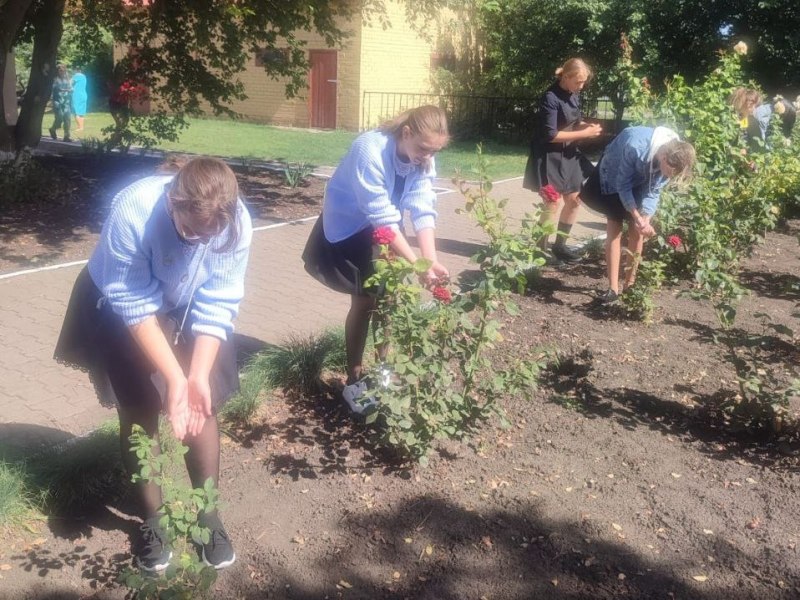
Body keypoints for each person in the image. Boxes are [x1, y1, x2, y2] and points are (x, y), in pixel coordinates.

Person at [54, 156, 252, 572]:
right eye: (189, 232)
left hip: (188, 303)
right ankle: (152, 521)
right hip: (125, 304)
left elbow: (219, 302)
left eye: (209, 236)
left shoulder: (236, 223)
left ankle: (208, 516)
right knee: (140, 408)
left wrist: (194, 377)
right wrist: (172, 377)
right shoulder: (134, 211)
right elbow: (136, 305)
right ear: (172, 203)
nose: (199, 242)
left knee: (203, 403)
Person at [302, 105, 449, 413]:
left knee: (391, 299)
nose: (427, 157)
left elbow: (422, 205)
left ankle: (383, 371)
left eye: (433, 151)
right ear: (406, 133)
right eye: (423, 149)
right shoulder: (369, 149)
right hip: (353, 225)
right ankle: (353, 381)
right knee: (365, 302)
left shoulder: (424, 155)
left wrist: (429, 258)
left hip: (385, 226)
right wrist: (416, 264)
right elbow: (380, 217)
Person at [580, 126, 695, 304]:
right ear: (663, 158)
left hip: (643, 176)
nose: (671, 177)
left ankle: (630, 285)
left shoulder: (674, 150)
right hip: (615, 173)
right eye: (670, 172)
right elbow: (623, 185)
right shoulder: (636, 147)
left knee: (637, 231)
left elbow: (654, 191)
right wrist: (636, 215)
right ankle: (613, 289)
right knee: (614, 227)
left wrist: (645, 219)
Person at [523, 58, 603, 263]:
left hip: (568, 154)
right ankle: (540, 250)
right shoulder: (550, 98)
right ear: (566, 77)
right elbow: (551, 135)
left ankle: (560, 246)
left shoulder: (573, 95)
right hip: (549, 155)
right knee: (552, 203)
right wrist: (584, 134)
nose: (581, 86)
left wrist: (587, 127)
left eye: (584, 82)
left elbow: (573, 122)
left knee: (575, 200)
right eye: (578, 82)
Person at [730, 87, 796, 148]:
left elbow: (744, 136)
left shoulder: (746, 117)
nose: (754, 109)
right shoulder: (735, 116)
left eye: (755, 106)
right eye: (751, 106)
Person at [49, 64, 73, 142]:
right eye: (60, 70)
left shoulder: (67, 79)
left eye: (63, 70)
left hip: (66, 101)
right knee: (59, 118)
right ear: (57, 71)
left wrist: (70, 90)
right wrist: (64, 90)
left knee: (67, 118)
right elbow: (54, 89)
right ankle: (53, 129)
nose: (62, 72)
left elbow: (71, 88)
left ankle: (66, 136)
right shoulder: (55, 79)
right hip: (57, 101)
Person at [71, 66, 88, 132]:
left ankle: (80, 127)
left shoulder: (76, 76)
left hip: (77, 95)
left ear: (75, 70)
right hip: (84, 95)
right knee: (82, 113)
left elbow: (70, 83)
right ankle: (82, 127)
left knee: (76, 112)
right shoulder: (84, 76)